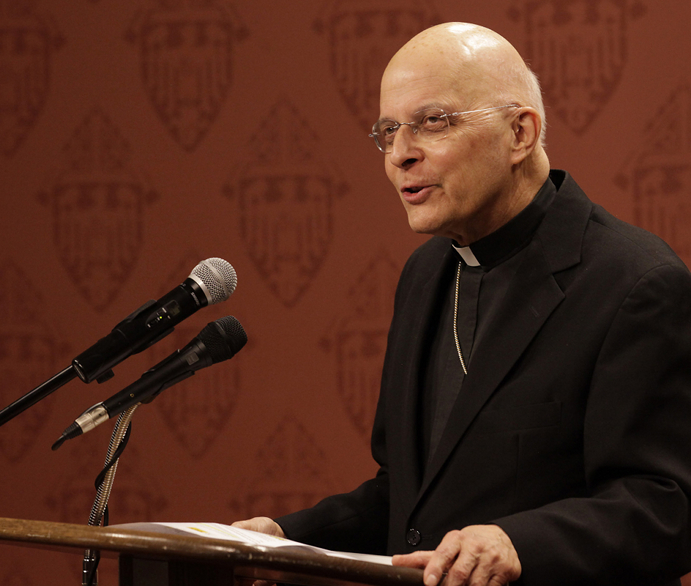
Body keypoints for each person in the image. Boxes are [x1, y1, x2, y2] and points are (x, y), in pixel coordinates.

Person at [234, 22, 691, 586]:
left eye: (433, 122)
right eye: (387, 130)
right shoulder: (426, 274)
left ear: (521, 133)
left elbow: (666, 507)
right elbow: (405, 498)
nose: (400, 154)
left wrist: (517, 543)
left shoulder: (634, 283)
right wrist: (284, 538)